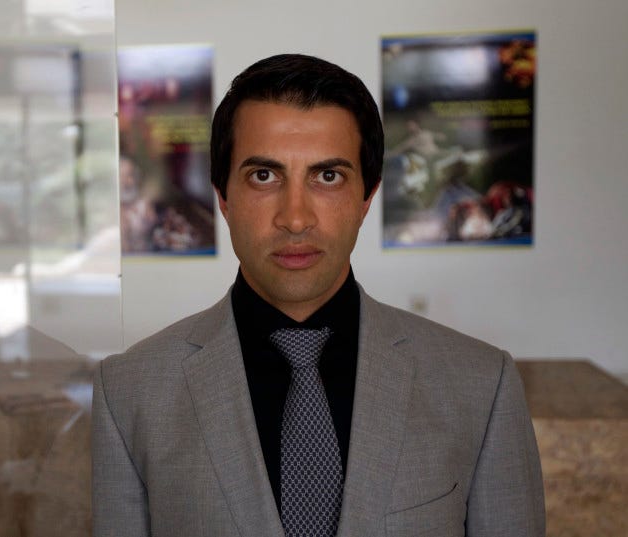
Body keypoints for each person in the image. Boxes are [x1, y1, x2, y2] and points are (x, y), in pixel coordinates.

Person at [92, 54, 545, 536]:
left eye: (327, 176)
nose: (295, 218)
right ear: (222, 195)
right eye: (263, 176)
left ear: (366, 196)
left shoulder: (480, 385)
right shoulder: (129, 393)